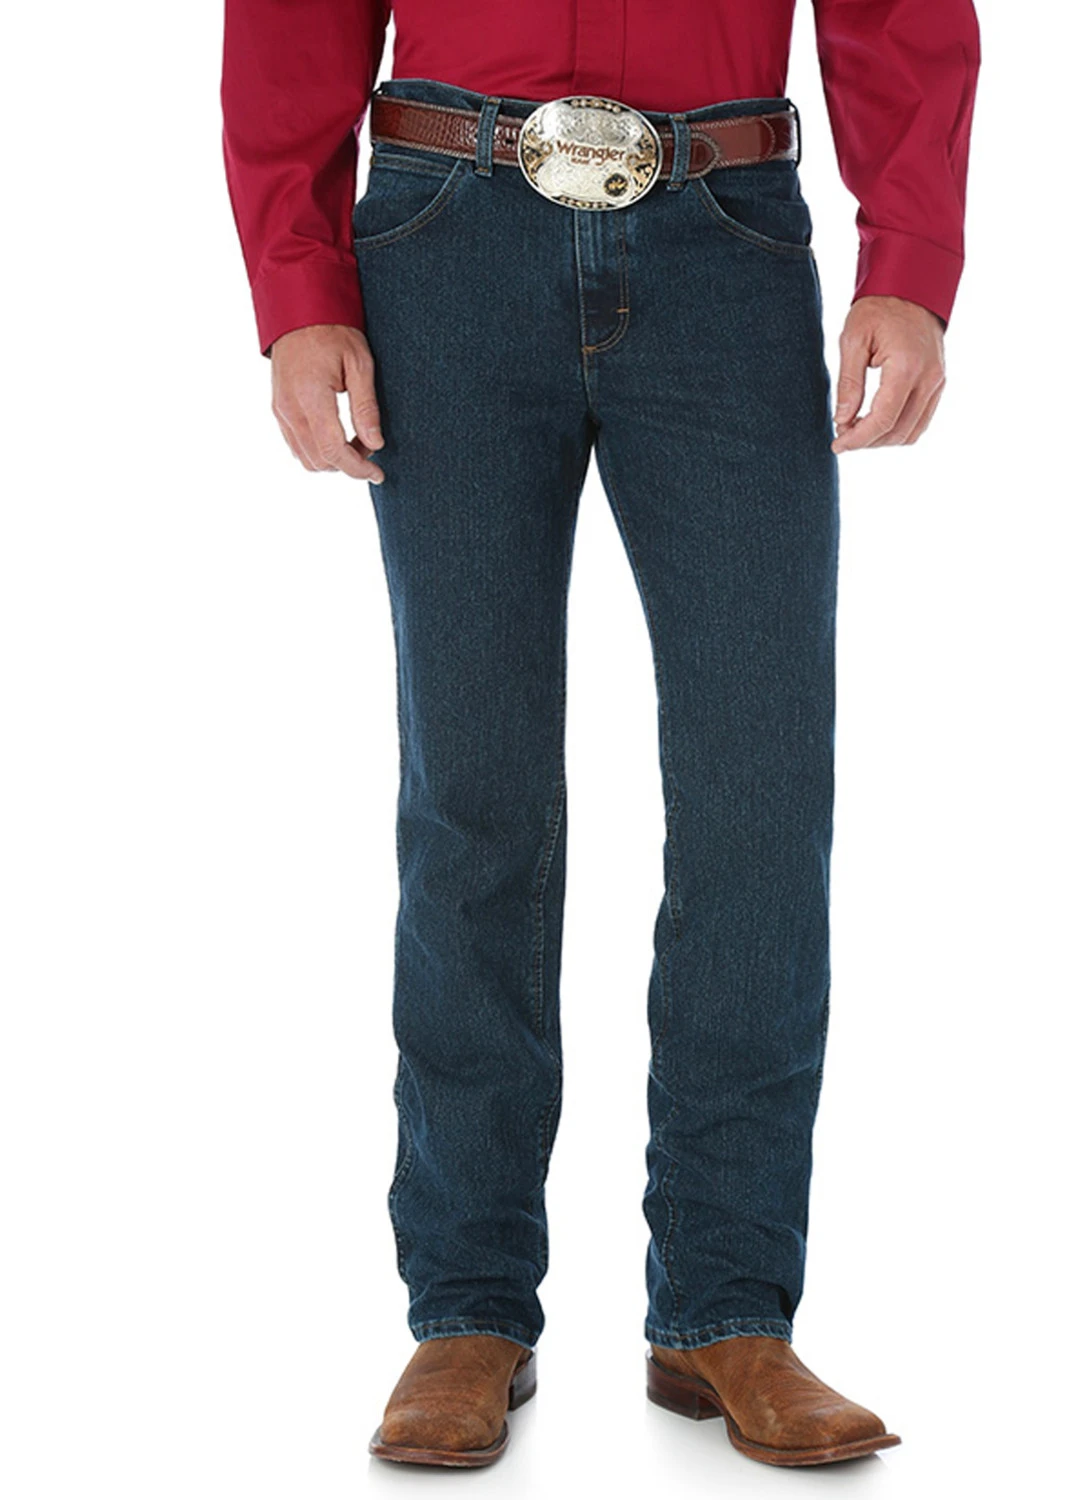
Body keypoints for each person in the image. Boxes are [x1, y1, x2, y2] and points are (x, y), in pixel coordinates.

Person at [220, 0, 980, 1470]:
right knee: (474, 796)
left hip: (726, 236)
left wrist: (913, 259)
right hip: (446, 235)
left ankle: (727, 1309)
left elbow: (899, 13)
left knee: (760, 794)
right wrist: (297, 283)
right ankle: (466, 1309)